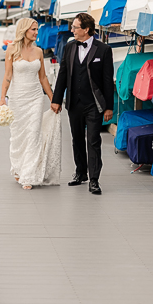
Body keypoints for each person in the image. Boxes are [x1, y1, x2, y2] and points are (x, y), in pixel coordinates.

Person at [51, 12, 114, 195]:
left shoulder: (103, 50)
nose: (72, 30)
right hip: (74, 102)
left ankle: (94, 180)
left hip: (93, 103)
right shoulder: (70, 47)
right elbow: (63, 74)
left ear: (86, 29)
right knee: (77, 139)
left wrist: (109, 106)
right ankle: (80, 173)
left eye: (75, 27)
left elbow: (107, 80)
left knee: (93, 140)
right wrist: (56, 100)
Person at [0, 18, 61, 190]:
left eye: (36, 30)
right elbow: (7, 76)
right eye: (33, 29)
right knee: (18, 136)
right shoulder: (11, 49)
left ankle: (28, 174)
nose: (36, 33)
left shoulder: (39, 52)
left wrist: (52, 99)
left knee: (34, 134)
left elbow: (42, 78)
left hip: (35, 98)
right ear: (24, 30)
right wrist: (2, 98)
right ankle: (18, 167)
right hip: (17, 99)